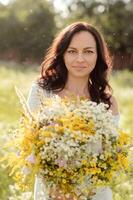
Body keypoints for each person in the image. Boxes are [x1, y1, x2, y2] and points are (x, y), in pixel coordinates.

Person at [27, 21, 120, 200]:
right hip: (51, 193)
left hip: (94, 193)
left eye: (88, 51)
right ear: (62, 54)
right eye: (72, 51)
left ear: (98, 56)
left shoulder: (107, 102)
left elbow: (111, 155)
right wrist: (56, 185)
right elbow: (30, 146)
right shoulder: (42, 91)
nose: (80, 59)